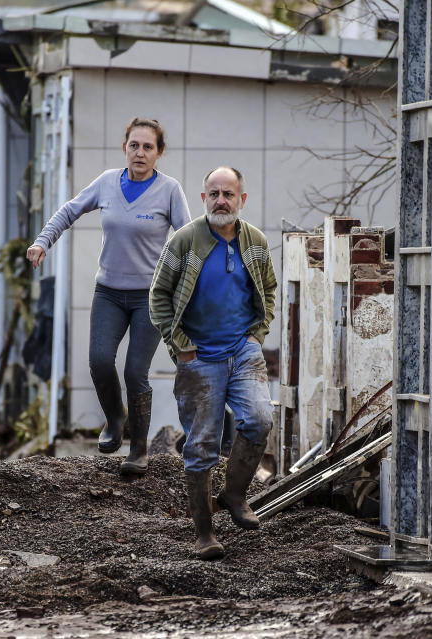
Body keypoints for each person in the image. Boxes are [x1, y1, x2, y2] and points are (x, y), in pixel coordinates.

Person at [27, 117, 191, 475]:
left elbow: (189, 239)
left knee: (135, 372)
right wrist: (43, 241)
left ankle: (139, 450)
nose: (140, 152)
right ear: (125, 148)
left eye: (148, 147)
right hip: (109, 294)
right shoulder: (106, 183)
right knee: (100, 361)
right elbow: (69, 210)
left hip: (151, 297)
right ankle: (116, 420)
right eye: (134, 145)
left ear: (158, 153)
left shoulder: (169, 190)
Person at [149, 166, 276, 560]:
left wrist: (259, 332)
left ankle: (235, 495)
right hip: (199, 357)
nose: (221, 200)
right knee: (202, 445)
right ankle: (204, 533)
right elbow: (159, 297)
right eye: (214, 194)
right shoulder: (185, 241)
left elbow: (268, 289)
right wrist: (181, 346)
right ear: (203, 198)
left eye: (229, 194)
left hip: (243, 350)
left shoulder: (254, 240)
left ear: (242, 199)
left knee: (259, 418)